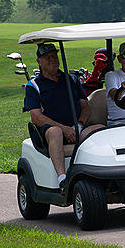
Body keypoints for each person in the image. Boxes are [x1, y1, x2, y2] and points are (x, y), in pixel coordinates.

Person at [23, 43, 103, 185]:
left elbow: (85, 106)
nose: (53, 59)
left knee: (99, 129)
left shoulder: (71, 79)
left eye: (55, 56)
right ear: (39, 62)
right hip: (50, 132)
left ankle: (100, 173)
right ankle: (62, 178)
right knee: (56, 132)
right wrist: (65, 129)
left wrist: (78, 125)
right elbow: (36, 116)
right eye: (48, 57)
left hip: (76, 128)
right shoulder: (33, 85)